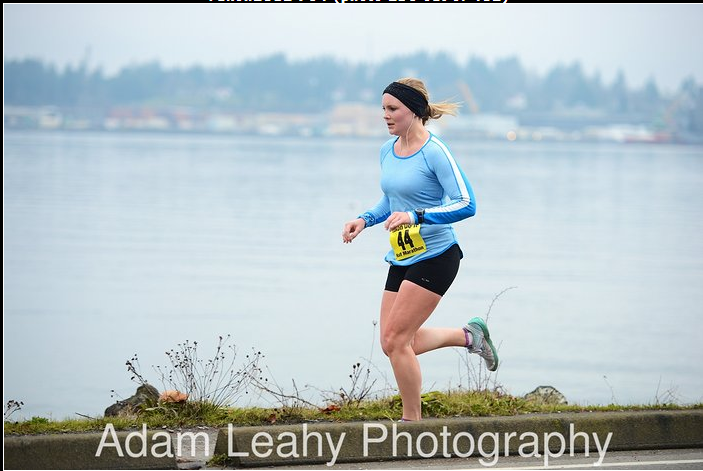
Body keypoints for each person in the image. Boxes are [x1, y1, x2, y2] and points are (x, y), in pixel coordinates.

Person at [341, 78, 499, 422]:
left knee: (397, 341)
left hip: (437, 256)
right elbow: (392, 200)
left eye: (392, 109)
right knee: (393, 342)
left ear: (413, 110)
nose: (385, 115)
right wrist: (364, 220)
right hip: (402, 256)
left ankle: (411, 423)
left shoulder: (435, 152)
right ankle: (469, 336)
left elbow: (467, 203)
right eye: (383, 109)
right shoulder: (388, 150)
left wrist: (417, 215)